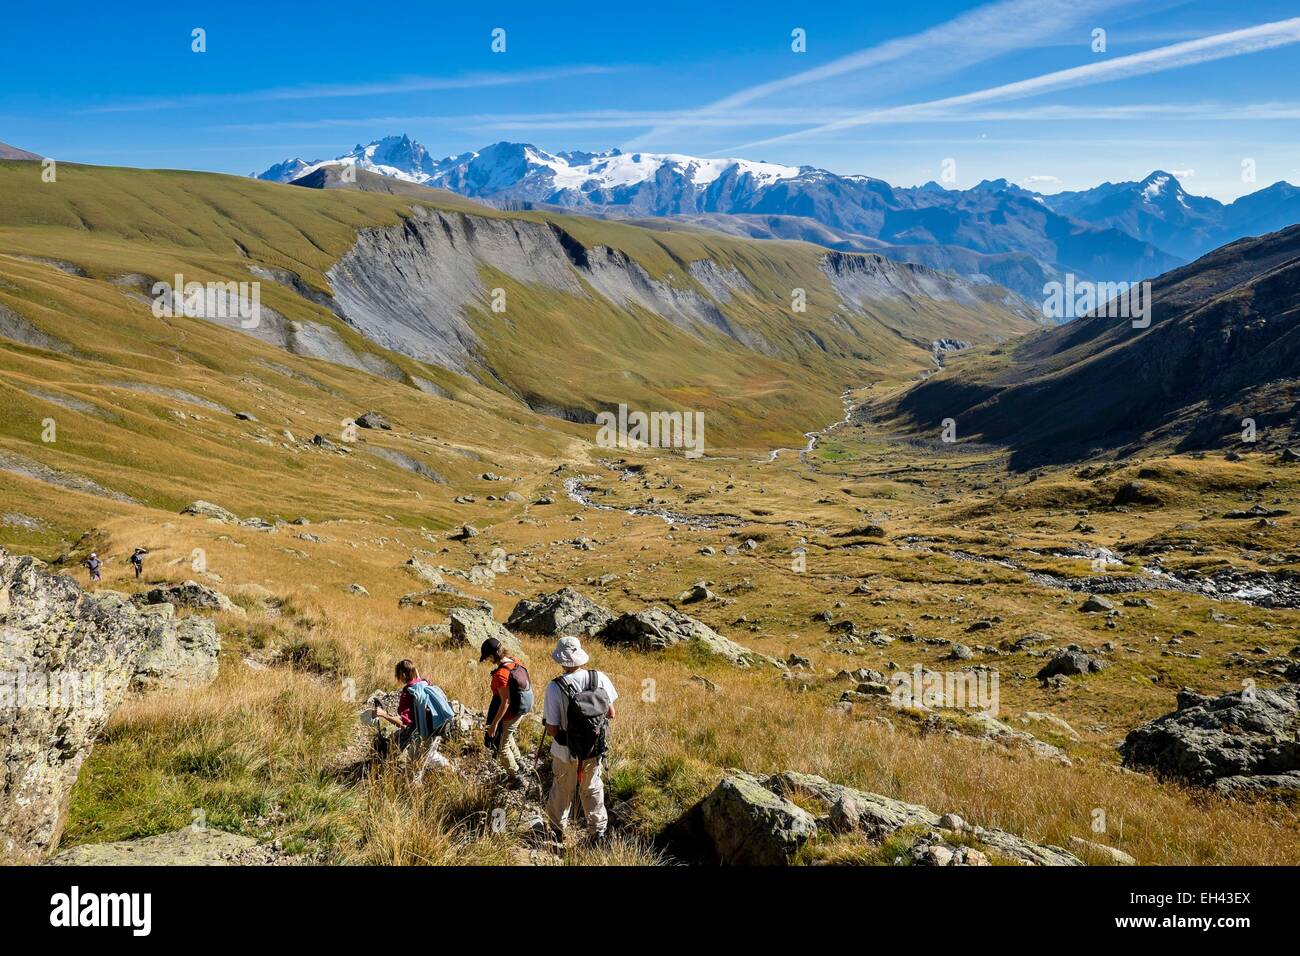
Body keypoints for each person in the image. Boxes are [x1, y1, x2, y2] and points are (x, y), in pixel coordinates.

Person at [542, 636, 617, 843]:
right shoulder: (599, 678)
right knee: (592, 788)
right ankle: (597, 832)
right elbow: (611, 713)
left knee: (562, 788)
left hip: (565, 751)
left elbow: (552, 728)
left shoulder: (555, 687)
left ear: (561, 660)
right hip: (593, 748)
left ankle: (556, 829)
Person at [479, 637, 531, 788]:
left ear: (491, 655)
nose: (488, 660)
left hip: (510, 713)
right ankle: (520, 763)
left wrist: (494, 725)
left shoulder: (501, 674)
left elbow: (505, 702)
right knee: (508, 736)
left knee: (502, 748)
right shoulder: (515, 661)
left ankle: (517, 777)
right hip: (521, 709)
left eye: (487, 657)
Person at [374, 659, 453, 755]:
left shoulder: (408, 693)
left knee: (416, 758)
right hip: (439, 723)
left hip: (425, 730)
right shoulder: (426, 683)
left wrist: (384, 715)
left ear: (402, 675)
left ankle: (447, 767)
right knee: (430, 755)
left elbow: (404, 724)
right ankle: (447, 767)